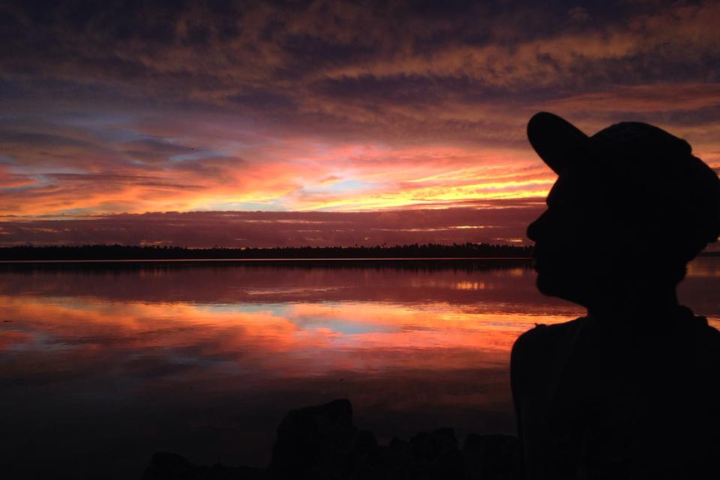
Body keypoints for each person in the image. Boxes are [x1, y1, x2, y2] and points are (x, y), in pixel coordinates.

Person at [511, 112, 720, 479]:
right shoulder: (534, 357)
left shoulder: (708, 378)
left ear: (630, 231)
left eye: (564, 210)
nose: (534, 228)